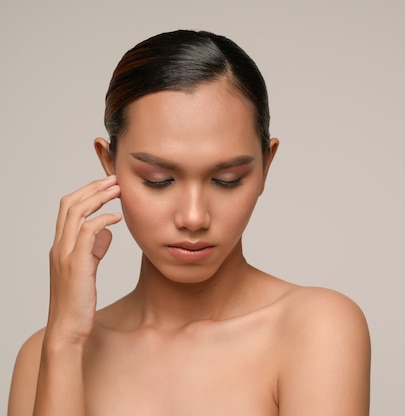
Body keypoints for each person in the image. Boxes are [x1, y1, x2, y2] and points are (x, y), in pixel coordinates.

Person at [8, 30, 370, 416]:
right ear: (109, 163)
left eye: (226, 180)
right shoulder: (42, 354)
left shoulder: (316, 329)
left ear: (266, 166)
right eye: (158, 180)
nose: (194, 217)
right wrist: (65, 342)